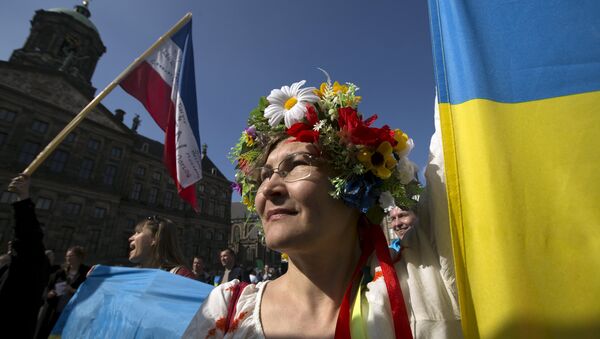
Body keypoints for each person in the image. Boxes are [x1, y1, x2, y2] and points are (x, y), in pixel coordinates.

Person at [184, 79, 462, 338]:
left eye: (296, 164)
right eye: (264, 175)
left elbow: (459, 132)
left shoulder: (422, 279)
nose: (268, 188)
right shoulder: (224, 311)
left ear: (357, 184)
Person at [0, 174, 50, 338]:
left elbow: (28, 238)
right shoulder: (9, 268)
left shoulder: (30, 268)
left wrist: (24, 198)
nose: (11, 243)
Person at [35, 246, 90, 339]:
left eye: (71, 256)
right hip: (52, 311)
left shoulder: (86, 275)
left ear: (79, 257)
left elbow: (89, 294)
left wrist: (73, 291)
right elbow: (45, 289)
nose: (67, 258)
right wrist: (49, 294)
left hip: (70, 314)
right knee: (45, 334)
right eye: (67, 256)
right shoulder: (59, 272)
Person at [127, 215, 194, 278]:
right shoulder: (130, 275)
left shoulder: (181, 276)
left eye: (138, 232)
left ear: (155, 238)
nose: (130, 238)